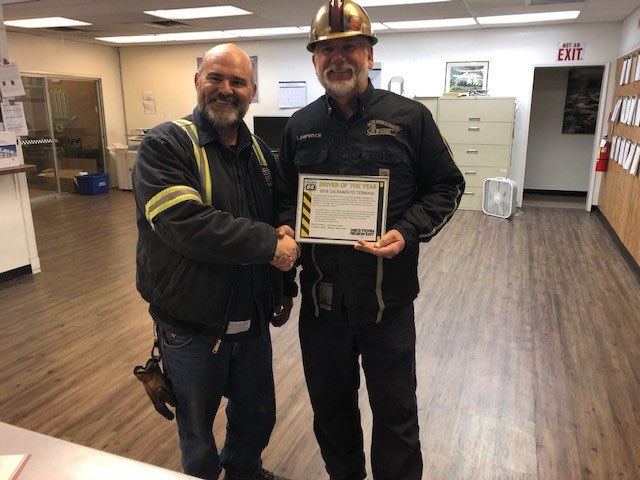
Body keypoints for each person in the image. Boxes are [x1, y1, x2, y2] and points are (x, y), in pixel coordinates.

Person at [274, 1, 465, 479]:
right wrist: (283, 227)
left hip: (388, 304)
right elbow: (282, 199)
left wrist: (407, 230)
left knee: (396, 418)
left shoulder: (409, 118)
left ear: (370, 54)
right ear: (314, 60)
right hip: (321, 309)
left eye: (350, 48)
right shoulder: (299, 127)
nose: (338, 59)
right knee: (332, 415)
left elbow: (447, 185)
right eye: (326, 50)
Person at [132, 43, 298, 480]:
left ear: (252, 91)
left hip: (253, 320)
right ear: (197, 82)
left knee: (257, 416)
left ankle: (244, 471)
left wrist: (283, 283)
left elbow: (282, 208)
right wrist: (269, 243)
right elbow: (185, 223)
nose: (226, 89)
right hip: (192, 328)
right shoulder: (164, 145)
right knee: (198, 433)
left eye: (237, 82)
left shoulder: (259, 151)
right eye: (216, 78)